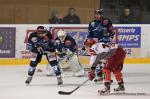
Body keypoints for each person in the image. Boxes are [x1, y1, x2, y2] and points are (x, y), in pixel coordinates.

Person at [83, 9, 115, 82]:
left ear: (102, 15)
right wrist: (87, 42)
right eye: (96, 14)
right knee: (96, 60)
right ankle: (100, 76)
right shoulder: (92, 23)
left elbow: (112, 32)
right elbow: (89, 35)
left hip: (104, 44)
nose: (97, 15)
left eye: (99, 14)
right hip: (95, 45)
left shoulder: (106, 21)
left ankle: (106, 76)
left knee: (104, 61)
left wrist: (108, 39)